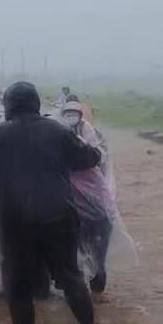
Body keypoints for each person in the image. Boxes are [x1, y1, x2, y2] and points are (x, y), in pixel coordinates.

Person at [0, 82, 102, 324]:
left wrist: (6, 188)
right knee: (69, 277)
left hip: (13, 222)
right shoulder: (56, 130)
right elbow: (86, 158)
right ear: (36, 103)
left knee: (18, 284)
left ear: (9, 106)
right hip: (58, 218)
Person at [60, 102, 115, 297]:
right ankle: (83, 292)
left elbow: (102, 164)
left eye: (73, 114)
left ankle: (97, 290)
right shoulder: (60, 138)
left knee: (98, 253)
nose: (70, 117)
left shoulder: (93, 140)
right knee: (79, 252)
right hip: (74, 207)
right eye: (67, 114)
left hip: (96, 205)